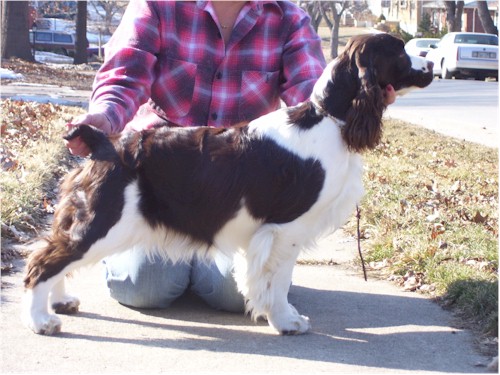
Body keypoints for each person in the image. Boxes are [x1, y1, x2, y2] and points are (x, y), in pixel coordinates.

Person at [66, 0, 396, 313]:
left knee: (234, 295)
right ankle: (156, 257)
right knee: (145, 287)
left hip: (236, 191)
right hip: (159, 181)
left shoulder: (288, 18)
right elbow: (125, 75)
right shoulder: (157, 5)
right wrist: (104, 118)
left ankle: (206, 267)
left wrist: (360, 101)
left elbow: (313, 100)